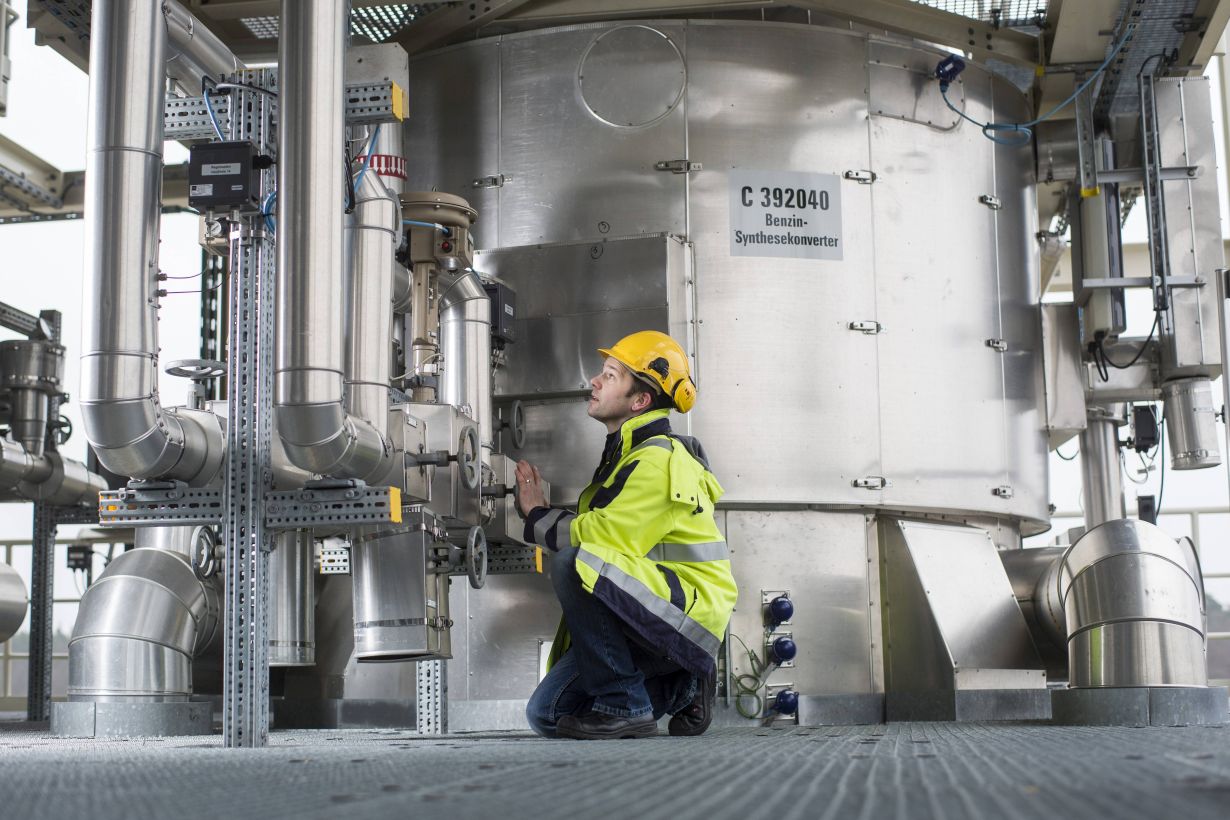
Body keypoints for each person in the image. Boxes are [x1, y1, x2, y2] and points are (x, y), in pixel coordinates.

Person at [515, 330, 737, 740]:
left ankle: (626, 704)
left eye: (611, 376)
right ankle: (683, 686)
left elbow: (602, 540)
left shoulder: (656, 461)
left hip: (682, 613)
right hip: (646, 612)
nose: (595, 382)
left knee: (573, 561)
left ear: (640, 401)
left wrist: (536, 516)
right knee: (547, 714)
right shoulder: (628, 456)